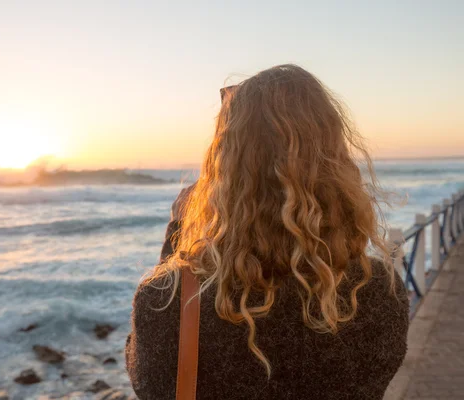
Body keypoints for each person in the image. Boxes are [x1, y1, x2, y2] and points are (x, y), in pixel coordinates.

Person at [126, 64, 409, 400]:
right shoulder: (377, 293)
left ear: (222, 171)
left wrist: (179, 235)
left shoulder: (166, 301)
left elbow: (152, 385)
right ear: (336, 165)